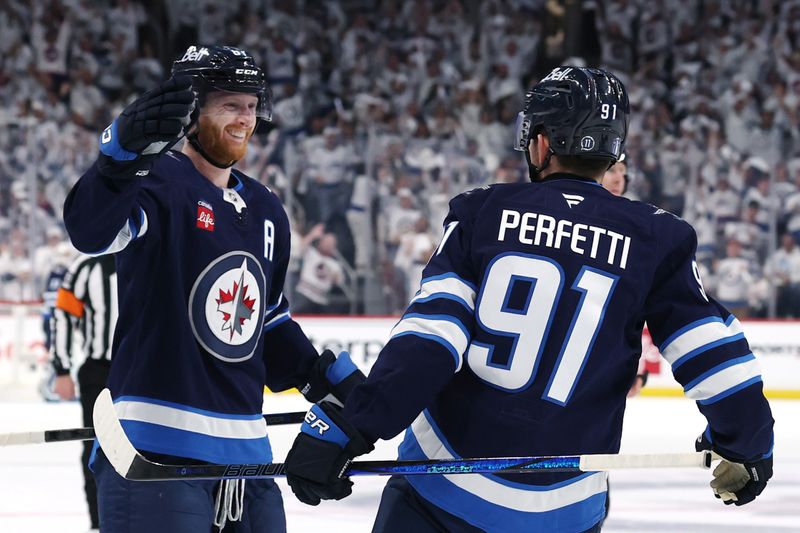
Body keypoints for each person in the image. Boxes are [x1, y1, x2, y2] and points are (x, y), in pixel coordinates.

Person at [283, 67, 775, 532]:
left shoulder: (483, 211)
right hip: (565, 512)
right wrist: (746, 442)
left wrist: (352, 426)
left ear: (541, 142)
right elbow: (713, 355)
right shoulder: (659, 238)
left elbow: (431, 339)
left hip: (442, 492)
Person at [62, 45, 364, 533]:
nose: (246, 119)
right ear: (190, 110)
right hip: (155, 451)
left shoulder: (267, 209)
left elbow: (264, 322)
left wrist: (320, 376)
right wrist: (119, 160)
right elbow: (89, 232)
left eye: (252, 106)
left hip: (247, 458)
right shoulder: (157, 178)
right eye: (230, 105)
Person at [50, 253, 118, 532]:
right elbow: (64, 314)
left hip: (144, 370)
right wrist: (62, 368)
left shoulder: (153, 249)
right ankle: (99, 521)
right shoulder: (87, 264)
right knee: (96, 447)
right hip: (100, 372)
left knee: (150, 446)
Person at [601, 154, 648, 397]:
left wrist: (638, 369)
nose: (619, 178)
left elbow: (635, 306)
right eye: (612, 170)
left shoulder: (634, 226)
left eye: (623, 172)